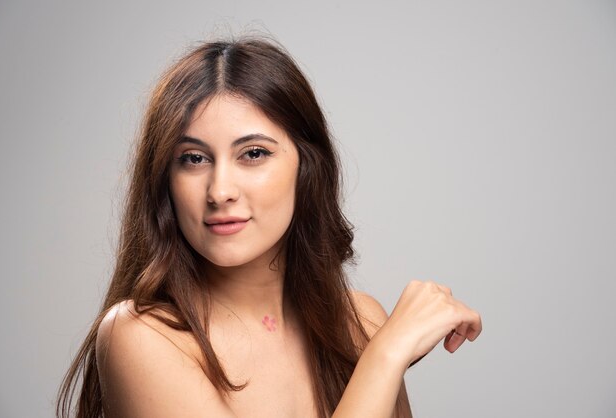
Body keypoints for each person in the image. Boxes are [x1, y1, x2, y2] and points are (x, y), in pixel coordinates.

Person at [57, 37, 482, 418]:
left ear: (305, 167)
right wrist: (387, 354)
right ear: (165, 179)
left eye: (253, 153)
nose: (220, 190)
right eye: (193, 158)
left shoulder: (360, 323)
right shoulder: (142, 337)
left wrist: (379, 344)